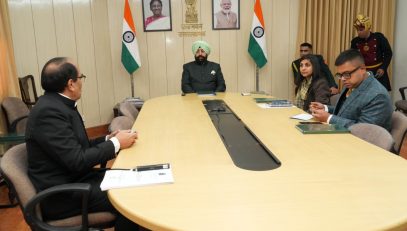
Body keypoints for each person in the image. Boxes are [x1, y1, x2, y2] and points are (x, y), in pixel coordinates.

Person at [25, 57, 139, 229]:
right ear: (71, 84)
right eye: (81, 77)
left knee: (135, 178)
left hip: (77, 180)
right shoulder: (49, 112)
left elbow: (77, 147)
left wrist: (108, 139)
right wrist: (116, 143)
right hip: (64, 195)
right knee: (131, 195)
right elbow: (77, 160)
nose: (82, 82)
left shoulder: (57, 104)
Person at [310, 49, 392, 130]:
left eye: (346, 74)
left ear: (362, 69)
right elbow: (346, 110)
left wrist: (329, 118)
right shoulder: (352, 83)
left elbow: (363, 130)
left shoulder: (378, 96)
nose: (343, 79)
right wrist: (325, 108)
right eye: (340, 75)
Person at [351, 14, 393, 91]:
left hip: (378, 72)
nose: (358, 32)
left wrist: (383, 68)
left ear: (368, 28)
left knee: (380, 96)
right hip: (363, 73)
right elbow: (353, 58)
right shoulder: (355, 41)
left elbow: (388, 53)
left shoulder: (379, 38)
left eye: (361, 30)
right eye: (357, 30)